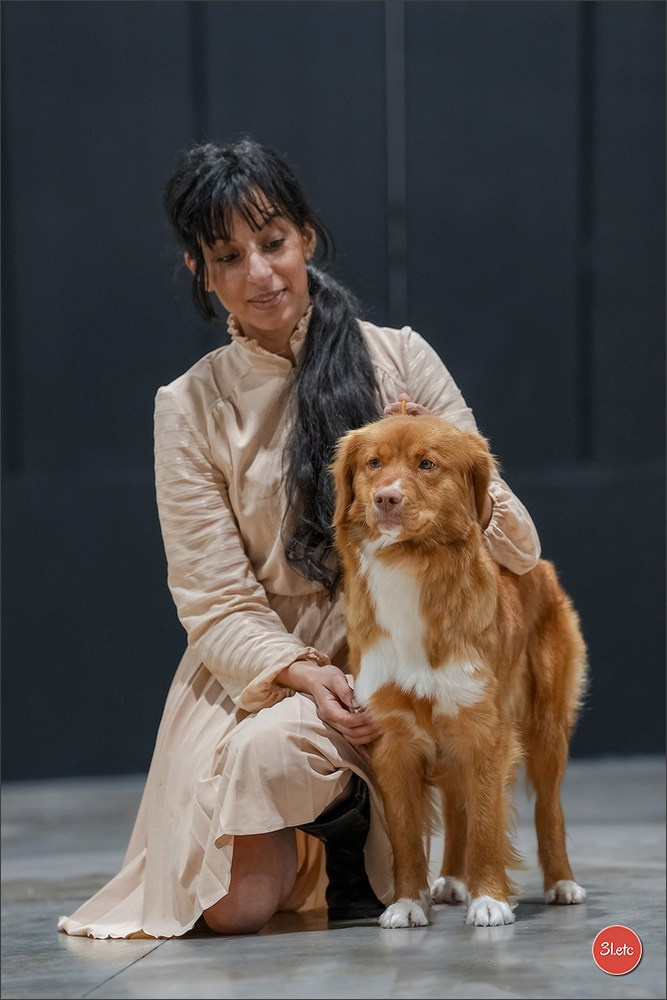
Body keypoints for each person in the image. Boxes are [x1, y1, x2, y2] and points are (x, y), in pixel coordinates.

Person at [58, 137, 541, 940]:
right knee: (236, 906)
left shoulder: (400, 357)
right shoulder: (188, 406)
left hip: (401, 647)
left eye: (273, 242)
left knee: (289, 777)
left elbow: (517, 543)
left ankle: (355, 831)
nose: (259, 273)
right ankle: (340, 813)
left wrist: (446, 478)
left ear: (306, 237)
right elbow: (212, 599)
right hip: (268, 669)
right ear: (199, 272)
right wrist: (307, 677)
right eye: (228, 255)